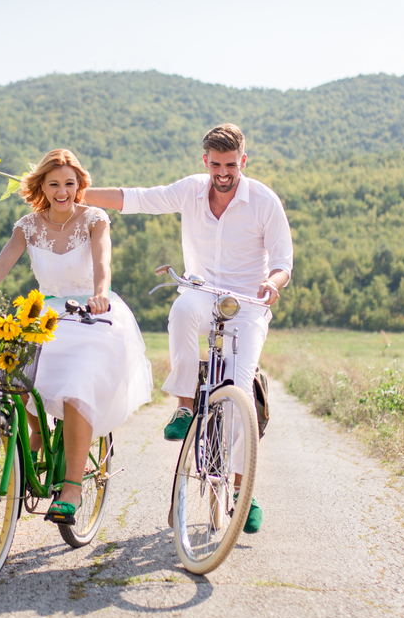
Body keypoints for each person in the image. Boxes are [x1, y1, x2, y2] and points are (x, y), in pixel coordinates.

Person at [86, 123, 293, 533]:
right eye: (216, 163)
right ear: (205, 161)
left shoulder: (265, 201)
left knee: (239, 391)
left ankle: (239, 492)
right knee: (182, 310)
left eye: (231, 164)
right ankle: (184, 406)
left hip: (248, 305)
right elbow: (138, 199)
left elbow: (283, 262)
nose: (223, 172)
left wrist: (272, 283)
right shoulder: (191, 189)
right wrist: (75, 193)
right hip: (204, 292)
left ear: (243, 162)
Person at [0, 149, 153, 525]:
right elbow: (2, 264)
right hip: (44, 313)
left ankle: (72, 488)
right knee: (6, 367)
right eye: (54, 184)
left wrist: (100, 292)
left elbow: (103, 262)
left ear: (80, 186)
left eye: (70, 183)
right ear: (42, 187)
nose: (63, 191)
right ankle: (35, 432)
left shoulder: (95, 220)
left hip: (91, 315)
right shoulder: (28, 226)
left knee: (78, 382)